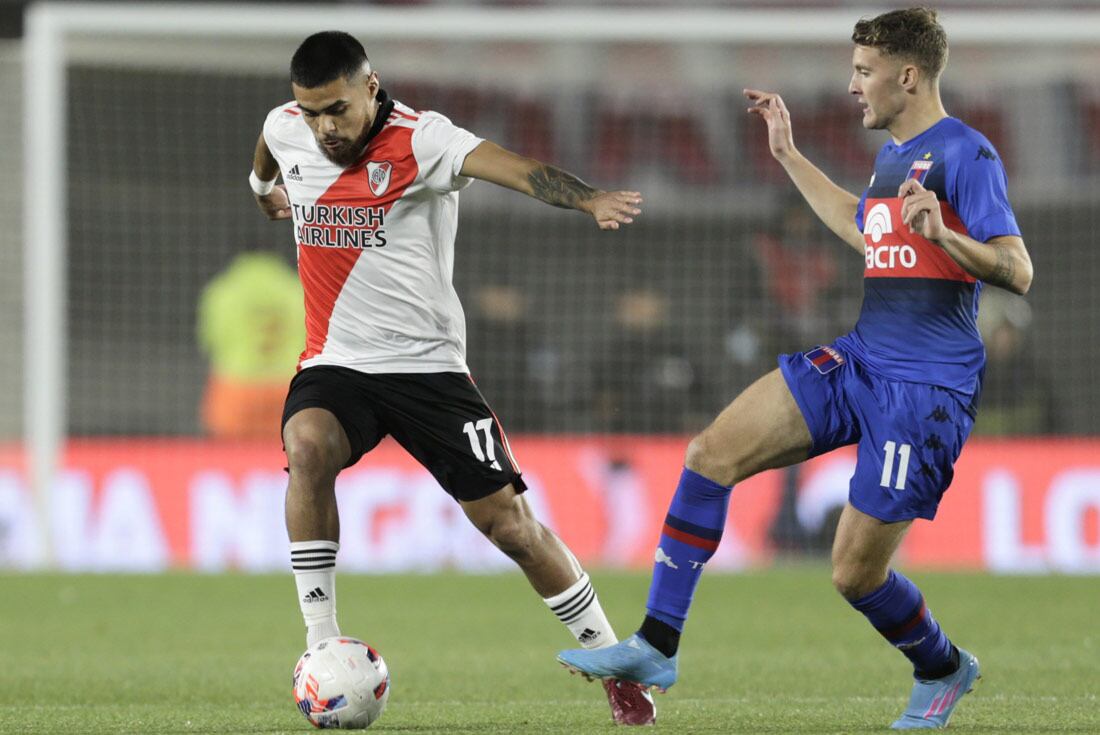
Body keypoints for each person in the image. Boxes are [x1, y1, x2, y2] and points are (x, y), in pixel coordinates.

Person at [558, 8, 1033, 730]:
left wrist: (946, 236)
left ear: (907, 76)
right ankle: (656, 644)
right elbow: (862, 226)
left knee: (854, 573)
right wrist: (787, 154)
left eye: (863, 72)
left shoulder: (970, 155)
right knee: (710, 451)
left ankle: (940, 665)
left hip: (925, 391)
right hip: (862, 357)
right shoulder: (894, 156)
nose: (851, 85)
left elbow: (1017, 270)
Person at [249, 32, 654, 725]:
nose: (324, 128)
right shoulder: (286, 128)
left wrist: (587, 199)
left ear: (370, 87)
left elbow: (519, 169)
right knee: (307, 446)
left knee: (511, 527)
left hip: (429, 371)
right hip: (337, 361)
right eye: (312, 112)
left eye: (337, 110)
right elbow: (266, 157)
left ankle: (614, 659)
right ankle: (321, 647)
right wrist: (265, 191)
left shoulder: (423, 139)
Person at [197, 248, 305, 440]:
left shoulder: (223, 290)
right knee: (285, 449)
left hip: (237, 387)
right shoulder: (295, 287)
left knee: (232, 454)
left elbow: (211, 340)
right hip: (287, 386)